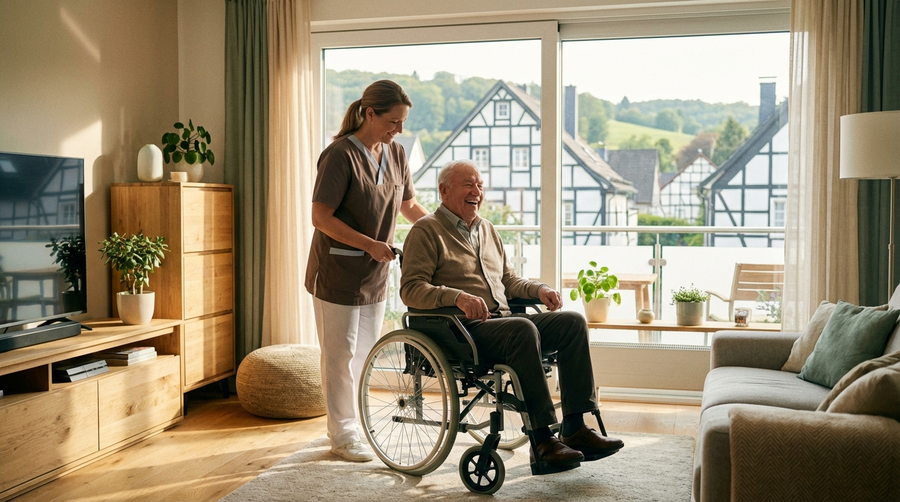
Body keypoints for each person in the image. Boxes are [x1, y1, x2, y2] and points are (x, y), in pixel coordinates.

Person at [399, 159, 624, 468]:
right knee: (523, 329)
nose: (477, 191)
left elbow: (507, 280)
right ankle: (542, 440)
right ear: (444, 190)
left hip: (503, 323)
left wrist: (539, 290)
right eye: (469, 184)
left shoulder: (487, 229)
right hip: (461, 332)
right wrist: (457, 297)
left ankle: (574, 428)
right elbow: (411, 289)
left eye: (479, 185)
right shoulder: (426, 231)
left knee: (572, 322)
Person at [305, 80, 429, 462]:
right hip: (337, 271)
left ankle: (355, 424)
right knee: (338, 357)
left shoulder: (396, 154)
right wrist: (369, 245)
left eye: (403, 122)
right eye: (393, 121)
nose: (399, 130)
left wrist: (442, 230)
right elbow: (320, 217)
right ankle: (341, 436)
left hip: (375, 274)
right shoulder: (339, 155)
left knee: (364, 356)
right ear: (369, 113)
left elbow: (408, 206)